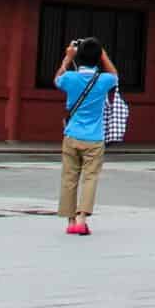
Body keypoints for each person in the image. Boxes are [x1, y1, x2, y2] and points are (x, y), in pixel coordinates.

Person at [54, 34, 126, 236]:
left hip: (71, 134)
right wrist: (103, 55)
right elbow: (115, 74)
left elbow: (57, 79)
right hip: (94, 137)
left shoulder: (70, 78)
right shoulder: (104, 80)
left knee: (69, 178)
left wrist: (68, 59)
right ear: (98, 57)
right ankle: (81, 219)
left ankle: (69, 221)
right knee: (90, 178)